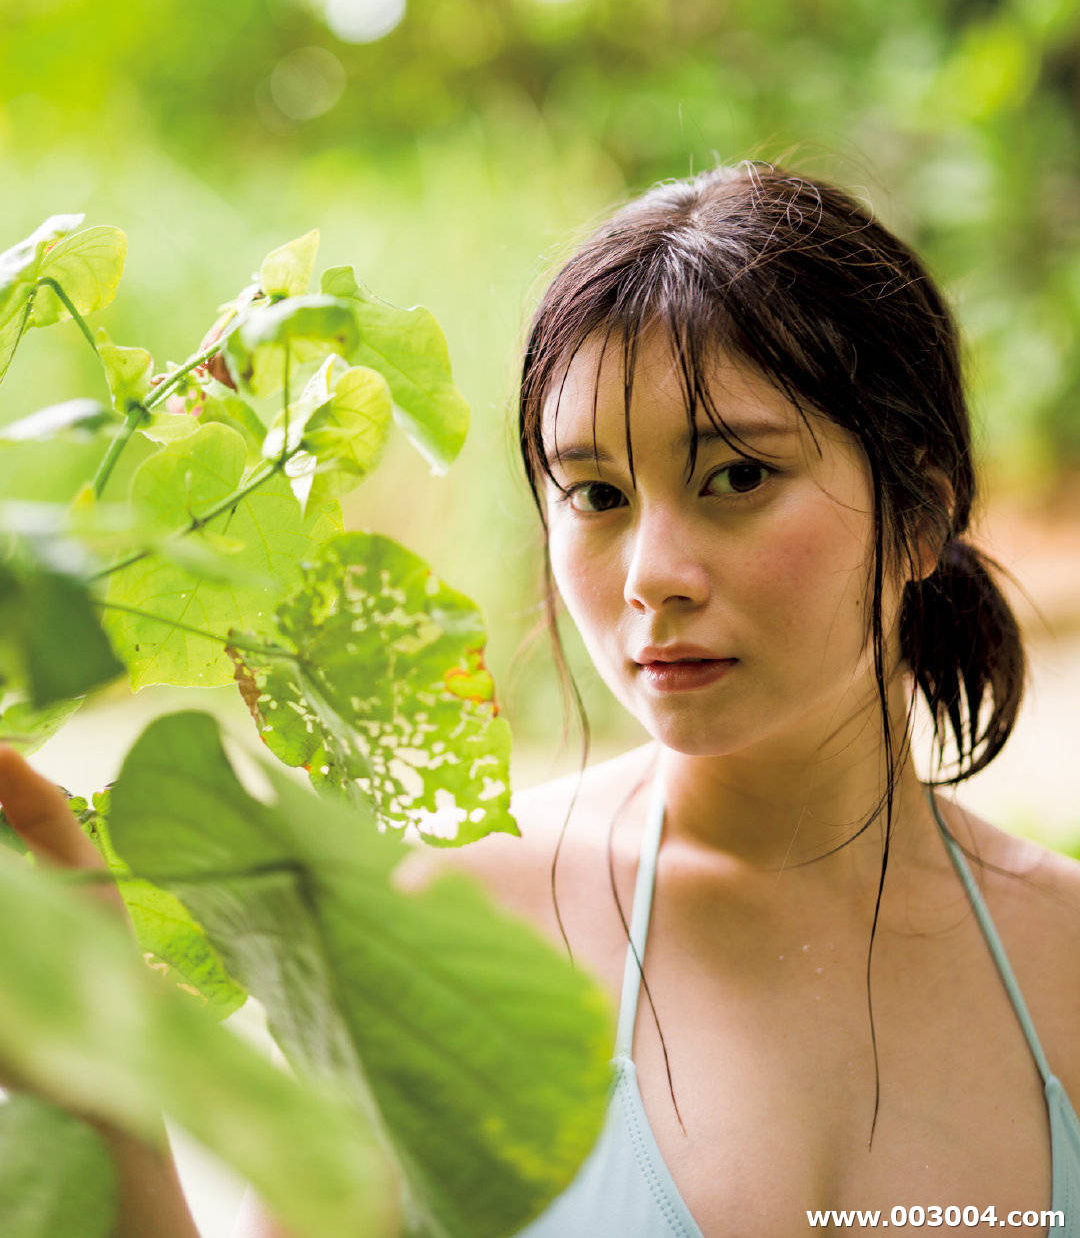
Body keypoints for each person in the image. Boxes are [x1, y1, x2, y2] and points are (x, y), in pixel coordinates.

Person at [4, 159, 1080, 1238]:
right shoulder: (454, 943)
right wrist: (102, 1081)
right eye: (598, 495)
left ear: (921, 512)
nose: (653, 571)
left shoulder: (1065, 957)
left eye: (737, 476)